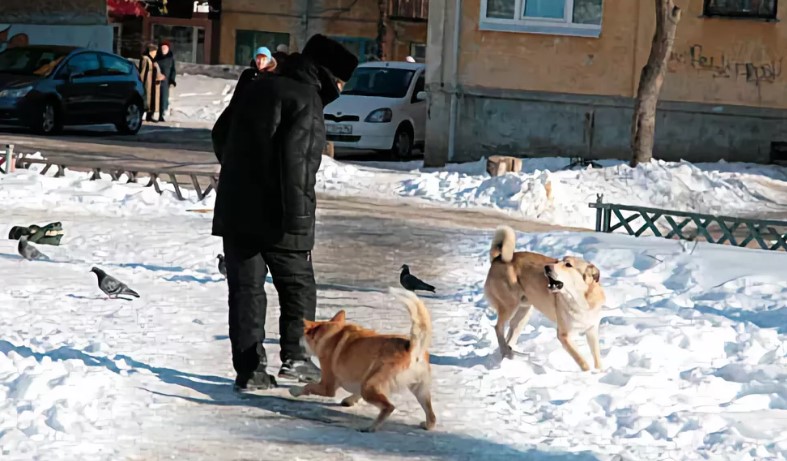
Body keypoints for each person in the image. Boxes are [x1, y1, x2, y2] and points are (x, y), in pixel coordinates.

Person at [211, 34, 358, 391]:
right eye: (340, 82)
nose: (339, 88)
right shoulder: (307, 99)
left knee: (246, 291)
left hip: (236, 209)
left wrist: (241, 174)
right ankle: (296, 357)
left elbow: (220, 137)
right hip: (280, 214)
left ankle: (250, 371)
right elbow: (299, 168)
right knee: (298, 287)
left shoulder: (259, 85)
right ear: (328, 76)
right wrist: (300, 222)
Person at [139, 43, 163, 122]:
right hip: (148, 83)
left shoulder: (154, 61)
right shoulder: (146, 59)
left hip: (154, 83)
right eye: (154, 52)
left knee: (153, 100)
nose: (155, 53)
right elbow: (142, 72)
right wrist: (141, 82)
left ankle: (150, 115)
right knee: (147, 99)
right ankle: (144, 115)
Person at [155, 40, 177, 122]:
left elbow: (173, 70)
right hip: (156, 81)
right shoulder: (157, 57)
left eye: (165, 48)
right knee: (156, 98)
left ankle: (161, 114)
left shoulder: (170, 58)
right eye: (162, 48)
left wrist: (172, 80)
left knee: (164, 98)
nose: (164, 49)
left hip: (165, 82)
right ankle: (152, 114)